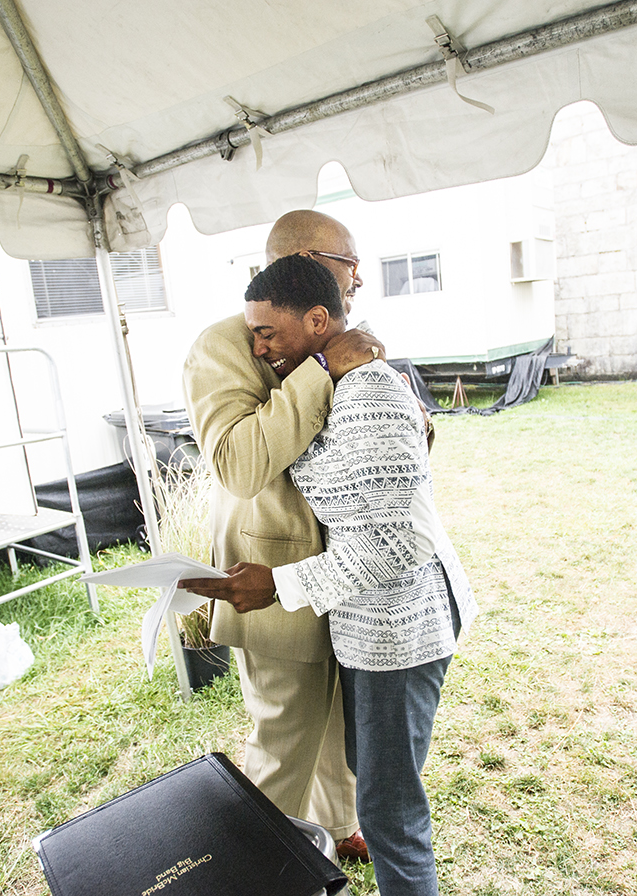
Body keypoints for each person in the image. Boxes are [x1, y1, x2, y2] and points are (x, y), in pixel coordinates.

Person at [181, 255, 478, 896]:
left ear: (318, 318)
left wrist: (280, 583)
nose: (257, 349)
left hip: (399, 629)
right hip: (363, 624)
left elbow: (402, 542)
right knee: (372, 786)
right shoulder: (320, 374)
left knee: (391, 811)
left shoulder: (366, 388)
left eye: (268, 335)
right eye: (253, 334)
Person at [181, 210, 382, 860]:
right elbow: (240, 465)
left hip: (341, 572)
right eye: (350, 263)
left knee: (335, 723)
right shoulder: (222, 345)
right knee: (283, 738)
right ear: (306, 258)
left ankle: (338, 824)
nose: (359, 277)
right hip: (271, 575)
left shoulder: (337, 332)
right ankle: (252, 863)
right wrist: (321, 369)